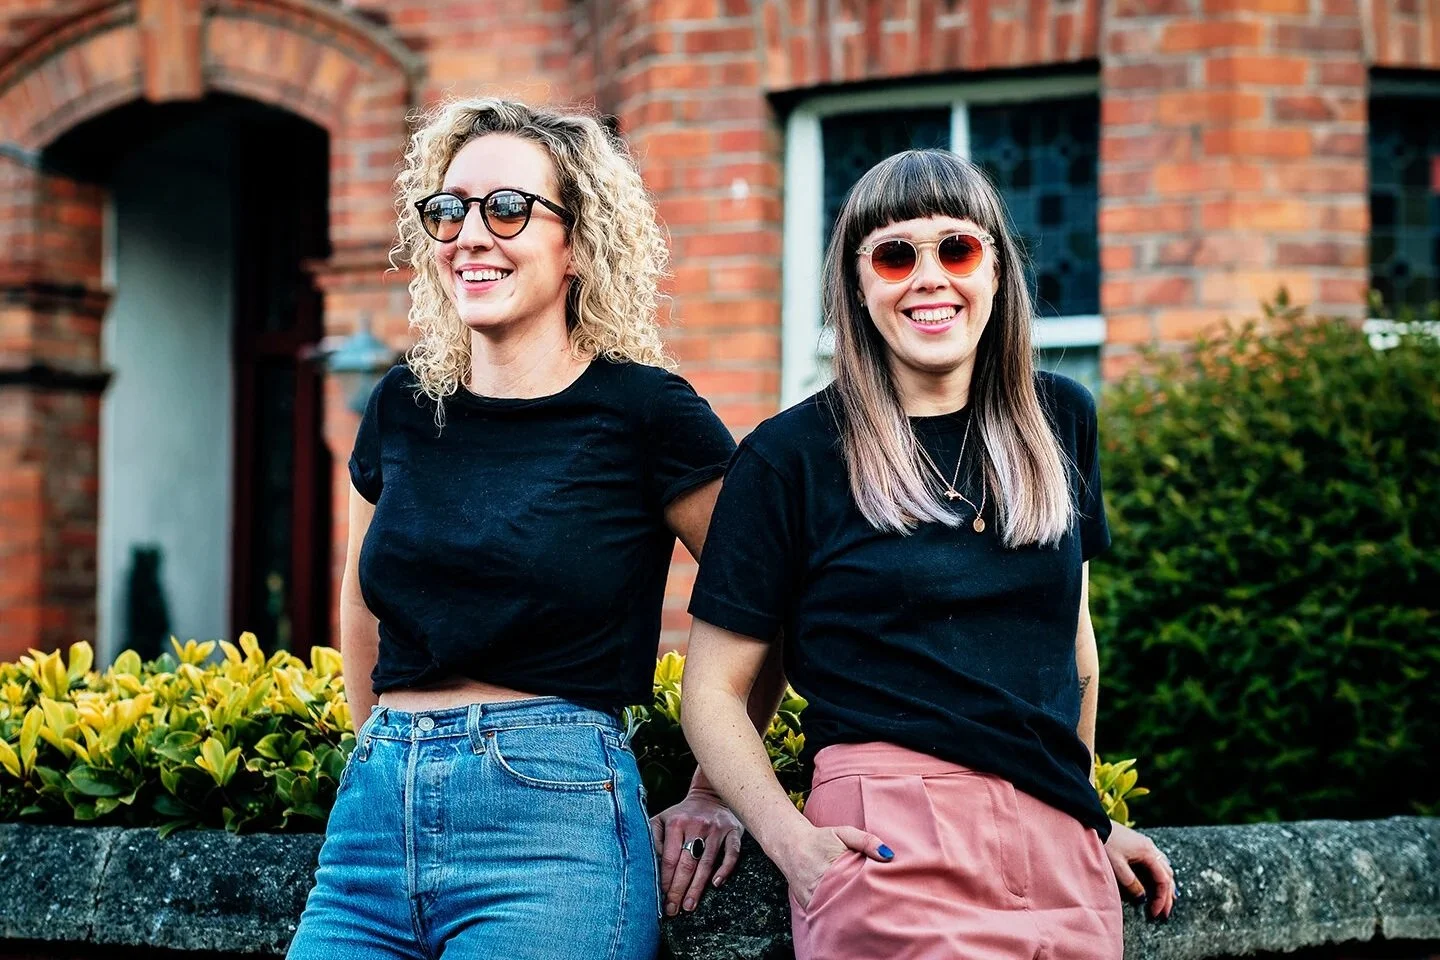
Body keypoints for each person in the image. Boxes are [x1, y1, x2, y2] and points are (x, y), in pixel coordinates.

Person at [288, 97, 778, 960]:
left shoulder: (646, 412)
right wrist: (373, 754)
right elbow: (360, 601)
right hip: (371, 828)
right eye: (449, 210)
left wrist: (717, 789)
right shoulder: (402, 404)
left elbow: (767, 593)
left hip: (552, 833)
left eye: (509, 208)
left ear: (578, 244)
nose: (470, 235)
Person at [680, 149, 1176, 959]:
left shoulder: (1061, 421)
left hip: (1058, 845)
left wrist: (1089, 812)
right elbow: (712, 692)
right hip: (889, 836)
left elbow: (1074, 650)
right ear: (858, 284)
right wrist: (790, 841)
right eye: (894, 256)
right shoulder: (790, 455)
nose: (929, 278)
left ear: (995, 270)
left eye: (956, 248)